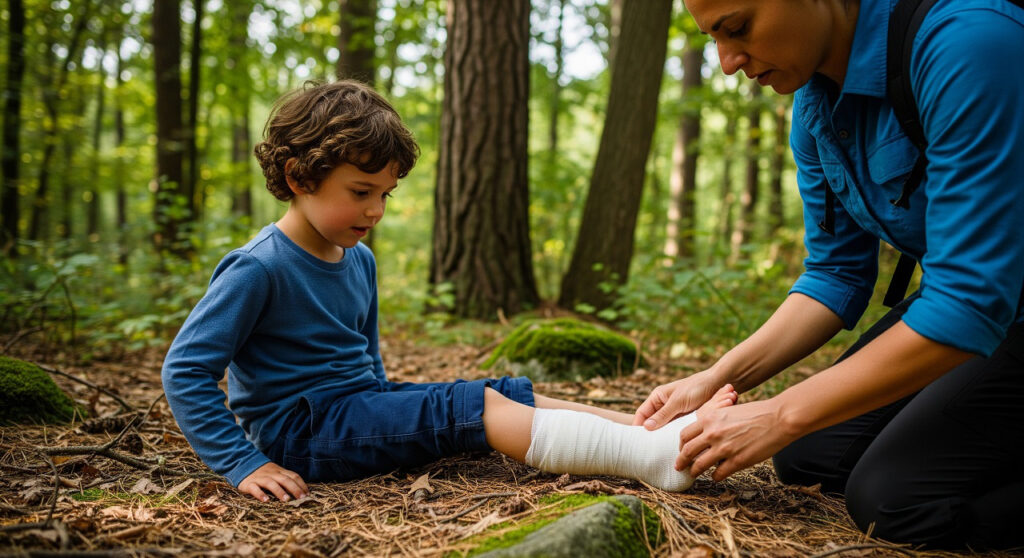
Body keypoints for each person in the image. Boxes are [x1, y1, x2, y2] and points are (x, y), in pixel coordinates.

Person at [161, 79, 738, 504]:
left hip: (353, 413)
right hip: (302, 434)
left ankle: (659, 433)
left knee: (501, 391)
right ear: (296, 178)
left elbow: (370, 368)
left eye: (386, 195)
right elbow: (185, 370)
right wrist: (242, 462)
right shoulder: (257, 268)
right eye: (361, 192)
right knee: (473, 408)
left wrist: (395, 411)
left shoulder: (358, 259)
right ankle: (648, 461)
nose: (376, 211)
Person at [633, 0, 1024, 550]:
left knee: (894, 501)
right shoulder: (817, 105)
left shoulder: (967, 43)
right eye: (712, 39)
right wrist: (716, 380)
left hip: (987, 299)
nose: (726, 61)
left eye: (738, 28)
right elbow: (837, 274)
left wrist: (780, 413)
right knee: (809, 455)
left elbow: (968, 301)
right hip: (982, 303)